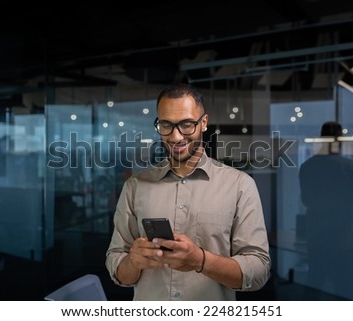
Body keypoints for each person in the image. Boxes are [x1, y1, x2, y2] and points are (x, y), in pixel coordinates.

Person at [105, 84, 271, 300]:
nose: (175, 137)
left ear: (203, 123)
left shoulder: (240, 185)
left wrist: (201, 261)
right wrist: (133, 261)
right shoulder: (135, 186)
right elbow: (117, 268)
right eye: (166, 125)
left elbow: (258, 271)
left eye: (186, 124)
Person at [299, 121, 353, 298]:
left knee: (314, 284)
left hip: (317, 236)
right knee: (345, 289)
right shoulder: (349, 167)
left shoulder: (307, 166)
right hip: (343, 239)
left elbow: (306, 200)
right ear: (341, 140)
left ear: (322, 139)